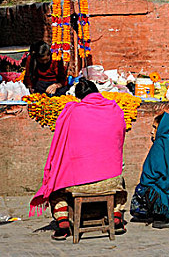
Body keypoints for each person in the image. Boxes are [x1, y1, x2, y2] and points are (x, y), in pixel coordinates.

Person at [29, 78, 128, 240]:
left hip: (77, 184)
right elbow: (120, 139)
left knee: (57, 185)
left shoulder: (71, 112)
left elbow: (60, 146)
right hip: (110, 182)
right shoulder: (114, 109)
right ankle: (116, 218)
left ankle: (62, 221)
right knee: (120, 182)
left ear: (79, 97)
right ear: (97, 91)